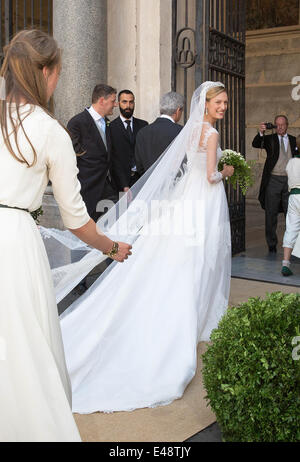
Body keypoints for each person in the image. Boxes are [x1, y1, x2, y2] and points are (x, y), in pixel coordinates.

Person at [58, 81, 234, 414]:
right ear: (206, 104)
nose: (223, 107)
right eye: (219, 102)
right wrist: (227, 170)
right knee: (199, 256)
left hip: (186, 200)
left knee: (186, 257)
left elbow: (179, 172)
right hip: (203, 201)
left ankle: (191, 309)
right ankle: (192, 315)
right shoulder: (209, 135)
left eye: (226, 103)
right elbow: (210, 175)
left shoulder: (190, 131)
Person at [0, 29, 131, 442]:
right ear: (45, 72)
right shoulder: (51, 131)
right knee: (24, 348)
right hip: (15, 243)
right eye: (57, 72)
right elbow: (77, 219)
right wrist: (112, 248)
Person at [67, 84, 119, 222]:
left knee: (114, 223)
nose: (116, 105)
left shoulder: (108, 124)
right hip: (87, 188)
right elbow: (73, 155)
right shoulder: (77, 123)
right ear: (102, 100)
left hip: (107, 188)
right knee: (89, 231)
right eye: (113, 101)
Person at [252, 116, 296, 253]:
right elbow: (256, 143)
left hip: (290, 181)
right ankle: (272, 244)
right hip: (273, 180)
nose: (280, 127)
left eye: (282, 125)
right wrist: (261, 132)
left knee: (292, 213)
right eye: (277, 125)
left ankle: (291, 243)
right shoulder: (270, 139)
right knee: (271, 214)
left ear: (287, 125)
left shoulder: (294, 140)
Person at [135, 91, 184, 175]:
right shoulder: (180, 131)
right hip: (173, 185)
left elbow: (139, 165)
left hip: (148, 185)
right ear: (178, 110)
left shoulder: (142, 132)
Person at [110, 90, 148, 192]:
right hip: (120, 184)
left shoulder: (143, 125)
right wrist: (124, 184)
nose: (128, 106)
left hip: (141, 180)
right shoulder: (110, 128)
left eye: (131, 102)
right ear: (118, 104)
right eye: (124, 102)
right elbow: (113, 159)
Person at [281, 135, 300, 276]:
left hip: (293, 197)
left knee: (291, 229)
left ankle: (285, 263)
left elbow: (289, 173)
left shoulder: (291, 162)